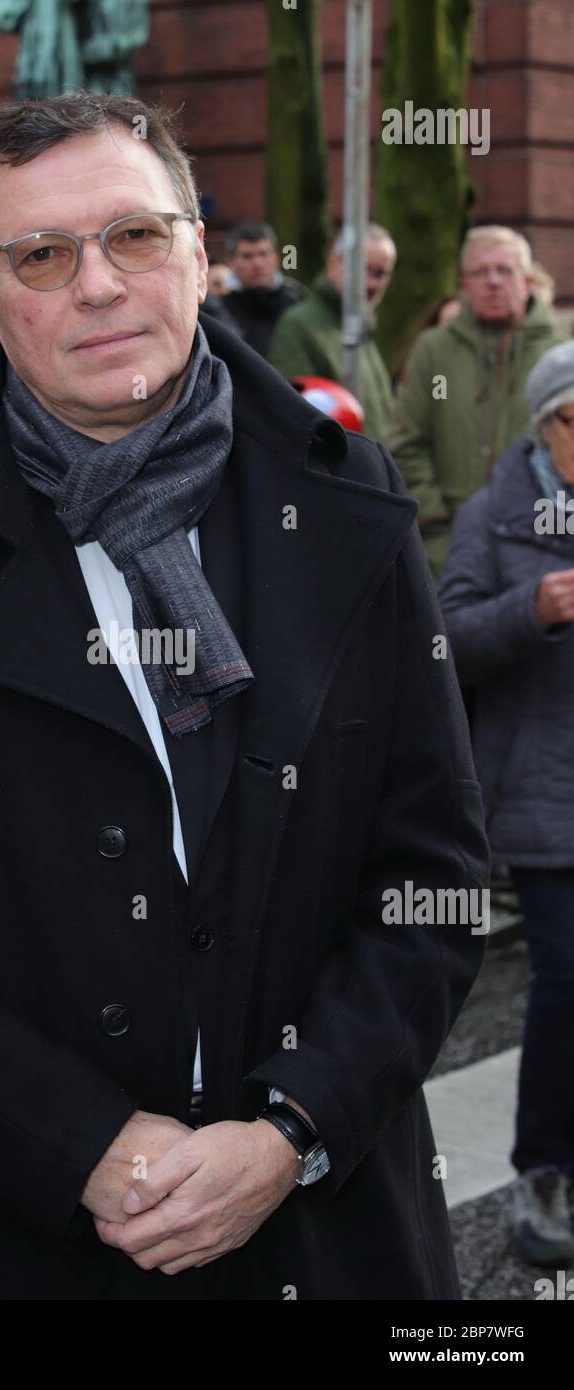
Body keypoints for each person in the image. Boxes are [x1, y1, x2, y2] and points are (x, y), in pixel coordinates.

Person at [0, 91, 489, 1301]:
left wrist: (289, 1128)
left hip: (326, 1233)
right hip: (17, 1236)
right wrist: (82, 1145)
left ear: (200, 252)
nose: (95, 284)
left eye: (135, 236)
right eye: (41, 254)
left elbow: (431, 872)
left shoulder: (348, 504)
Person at [438, 339, 574, 1266]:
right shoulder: (497, 512)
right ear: (548, 422)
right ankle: (543, 1171)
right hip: (539, 790)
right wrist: (533, 610)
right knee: (565, 982)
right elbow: (445, 638)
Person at [387, 226, 563, 583]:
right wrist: (440, 532)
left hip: (544, 548)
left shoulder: (561, 354)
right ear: (464, 285)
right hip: (451, 548)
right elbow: (406, 445)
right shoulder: (433, 350)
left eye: (505, 270)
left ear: (527, 281)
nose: (493, 281)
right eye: (480, 272)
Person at [267, 223, 397, 441]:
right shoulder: (299, 326)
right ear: (334, 263)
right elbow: (294, 426)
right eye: (364, 269)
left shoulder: (361, 330)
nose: (371, 283)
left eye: (380, 273)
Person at [216, 220, 305, 356]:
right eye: (247, 256)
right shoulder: (219, 310)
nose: (257, 263)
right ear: (231, 262)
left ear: (275, 257)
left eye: (263, 254)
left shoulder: (296, 300)